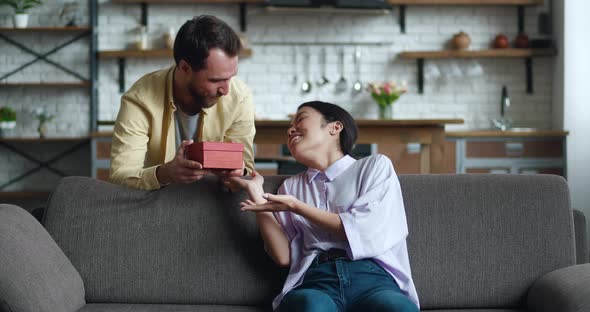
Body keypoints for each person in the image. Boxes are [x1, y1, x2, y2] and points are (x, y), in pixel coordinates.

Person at [226, 101, 420, 311]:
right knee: (310, 306)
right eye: (289, 127)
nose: (290, 129)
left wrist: (296, 206)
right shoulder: (291, 187)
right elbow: (283, 256)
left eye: (300, 119)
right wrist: (256, 193)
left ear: (335, 128)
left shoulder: (374, 167)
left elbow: (362, 229)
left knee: (397, 308)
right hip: (317, 281)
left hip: (372, 277)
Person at [110, 15, 255, 190]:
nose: (226, 90)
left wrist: (238, 173)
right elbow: (120, 177)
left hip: (214, 200)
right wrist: (165, 174)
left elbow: (247, 171)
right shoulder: (139, 99)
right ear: (185, 68)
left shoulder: (239, 98)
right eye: (216, 80)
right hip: (156, 203)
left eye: (231, 78)